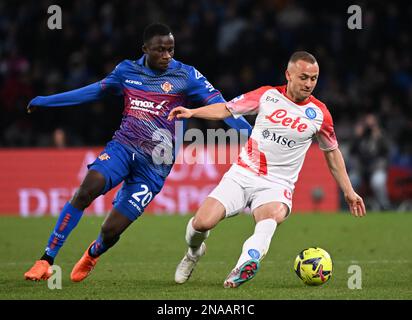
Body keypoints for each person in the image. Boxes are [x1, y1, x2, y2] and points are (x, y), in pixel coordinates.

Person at [24, 23, 252, 282]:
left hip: (156, 165)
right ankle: (46, 259)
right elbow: (91, 92)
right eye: (160, 50)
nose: (167, 56)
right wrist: (48, 101)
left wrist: (252, 134)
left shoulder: (187, 76)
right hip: (123, 148)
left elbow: (223, 108)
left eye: (171, 50)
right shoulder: (126, 71)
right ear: (145, 49)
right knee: (86, 190)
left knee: (110, 231)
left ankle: (93, 253)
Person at [168, 51, 366, 288]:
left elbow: (332, 152)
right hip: (243, 173)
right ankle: (193, 253)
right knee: (202, 224)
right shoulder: (267, 95)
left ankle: (245, 264)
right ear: (288, 74)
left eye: (314, 78)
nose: (309, 84)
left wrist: (348, 190)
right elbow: (226, 110)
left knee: (269, 217)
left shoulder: (320, 114)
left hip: (277, 184)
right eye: (303, 77)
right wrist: (192, 112)